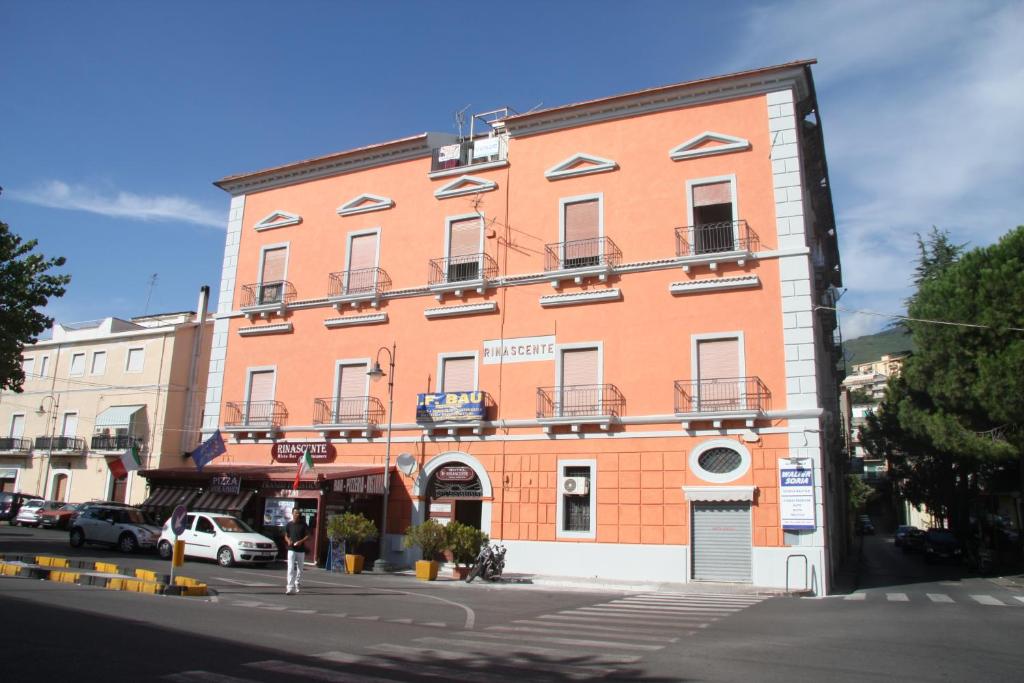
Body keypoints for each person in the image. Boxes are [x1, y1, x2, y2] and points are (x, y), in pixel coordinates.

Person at [284, 508, 310, 595]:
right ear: (292, 514)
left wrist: (300, 542)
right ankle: (289, 587)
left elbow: (308, 535)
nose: (297, 515)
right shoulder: (289, 525)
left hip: (300, 550)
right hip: (291, 549)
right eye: (295, 513)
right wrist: (288, 541)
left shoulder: (303, 525)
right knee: (290, 568)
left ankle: (297, 582)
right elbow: (286, 535)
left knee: (300, 569)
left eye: (298, 513)